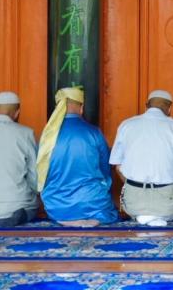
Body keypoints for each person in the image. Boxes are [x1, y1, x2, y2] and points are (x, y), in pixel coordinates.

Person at [110, 90, 173, 227]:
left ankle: (143, 216)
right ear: (169, 108)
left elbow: (117, 167)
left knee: (133, 200)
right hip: (167, 200)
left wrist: (133, 184)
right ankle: (162, 216)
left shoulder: (126, 125)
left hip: (134, 201)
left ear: (146, 105)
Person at [38, 87, 118, 226]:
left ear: (58, 108)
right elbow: (106, 170)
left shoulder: (48, 136)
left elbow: (40, 172)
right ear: (81, 108)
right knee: (106, 207)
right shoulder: (94, 133)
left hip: (57, 206)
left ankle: (67, 219)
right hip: (93, 203)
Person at [0, 92, 38, 227]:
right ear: (17, 113)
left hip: (14, 208)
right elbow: (35, 178)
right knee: (29, 206)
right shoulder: (26, 133)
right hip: (16, 207)